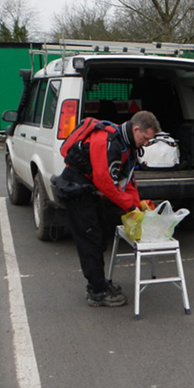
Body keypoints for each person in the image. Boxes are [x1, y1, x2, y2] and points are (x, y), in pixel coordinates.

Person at [57, 110, 160, 306]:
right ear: (136, 129)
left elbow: (127, 179)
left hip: (91, 192)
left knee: (101, 235)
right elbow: (105, 183)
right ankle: (97, 292)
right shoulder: (107, 141)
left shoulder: (127, 146)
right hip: (76, 191)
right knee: (90, 241)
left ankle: (100, 283)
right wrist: (130, 206)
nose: (146, 143)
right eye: (145, 138)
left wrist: (138, 204)